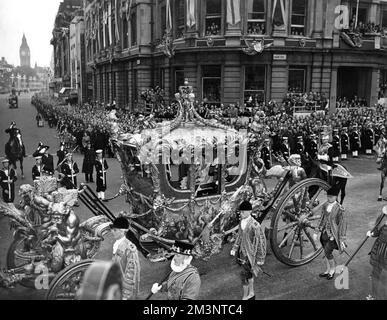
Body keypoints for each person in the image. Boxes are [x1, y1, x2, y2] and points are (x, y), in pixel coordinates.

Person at [230, 201, 267, 300]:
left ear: (249, 211)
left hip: (250, 254)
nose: (240, 214)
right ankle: (251, 293)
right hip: (242, 253)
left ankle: (245, 296)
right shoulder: (241, 222)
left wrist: (260, 257)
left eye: (243, 212)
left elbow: (260, 242)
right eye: (240, 212)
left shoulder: (255, 225)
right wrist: (234, 247)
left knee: (244, 275)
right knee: (248, 274)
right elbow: (239, 236)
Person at [315, 186, 347, 280]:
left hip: (333, 234)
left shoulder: (340, 209)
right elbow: (321, 218)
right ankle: (327, 270)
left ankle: (332, 270)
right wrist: (317, 231)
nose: (329, 198)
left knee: (328, 252)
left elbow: (343, 225)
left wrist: (342, 239)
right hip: (324, 233)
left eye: (331, 197)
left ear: (336, 197)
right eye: (328, 196)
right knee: (325, 251)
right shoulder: (325, 205)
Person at [110, 216, 141, 300]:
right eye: (112, 229)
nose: (112, 231)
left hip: (125, 291)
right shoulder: (116, 244)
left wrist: (126, 295)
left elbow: (131, 272)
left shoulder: (129, 248)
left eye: (115, 230)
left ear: (122, 231)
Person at [366, 207, 387, 300]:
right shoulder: (383, 217)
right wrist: (372, 234)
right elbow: (377, 231)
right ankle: (374, 295)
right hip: (379, 250)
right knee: (376, 272)